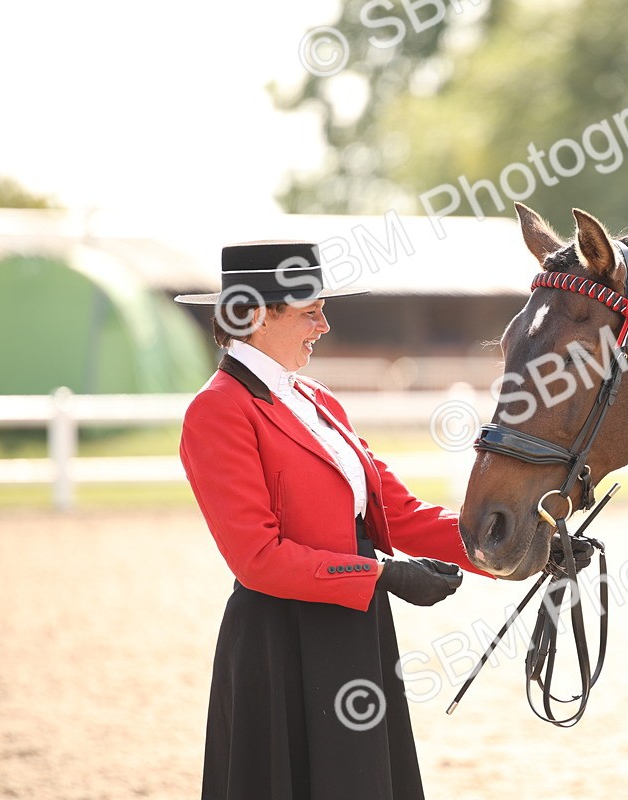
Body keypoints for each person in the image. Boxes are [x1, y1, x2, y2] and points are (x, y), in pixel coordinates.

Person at [175, 241, 488, 800]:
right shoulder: (217, 408)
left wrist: (516, 547)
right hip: (282, 640)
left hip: (354, 627)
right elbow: (259, 559)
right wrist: (383, 577)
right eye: (309, 311)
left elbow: (399, 512)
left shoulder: (317, 401)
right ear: (253, 315)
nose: (324, 325)